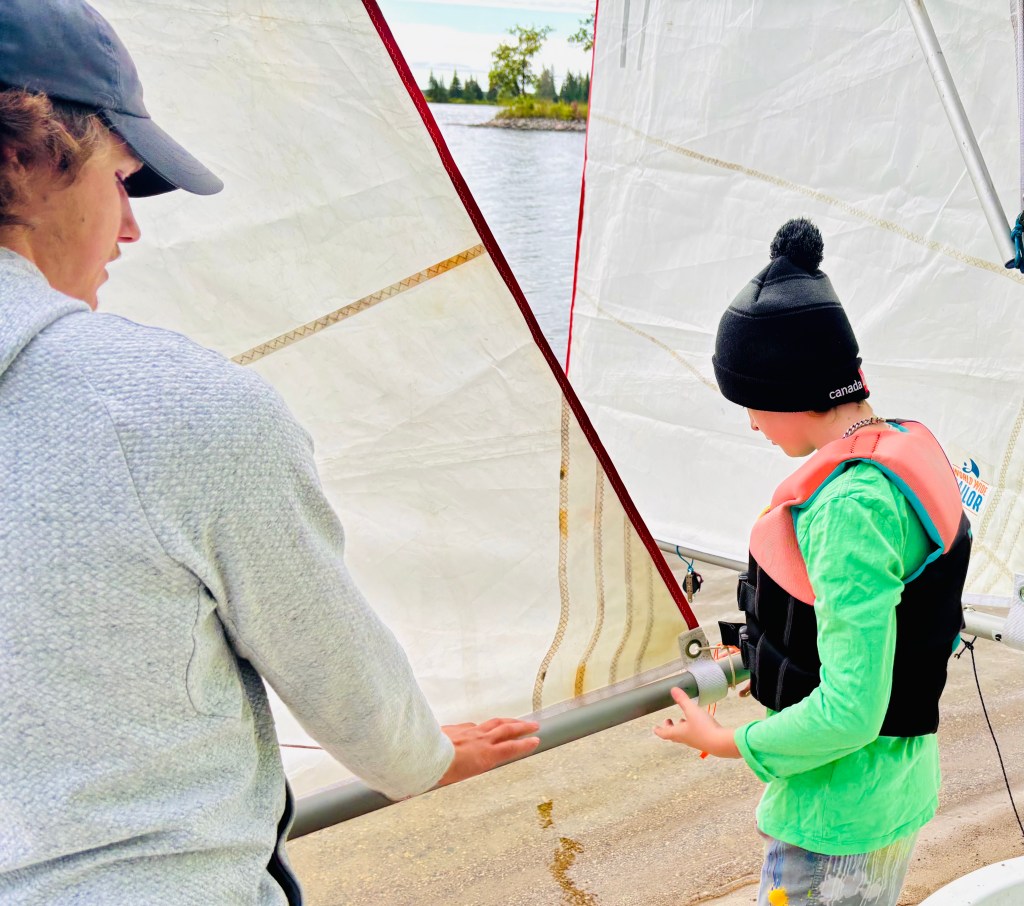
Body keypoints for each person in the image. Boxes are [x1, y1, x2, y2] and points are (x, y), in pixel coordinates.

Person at [0, 2, 538, 903]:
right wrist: (424, 758)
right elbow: (340, 674)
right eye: (124, 180)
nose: (130, 229)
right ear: (34, 151)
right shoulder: (174, 408)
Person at [653, 219, 970, 906]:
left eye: (752, 404)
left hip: (837, 824)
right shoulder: (899, 454)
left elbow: (853, 712)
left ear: (793, 391)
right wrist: (761, 652)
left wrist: (731, 739)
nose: (751, 424)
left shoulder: (848, 510)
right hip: (894, 789)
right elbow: (880, 624)